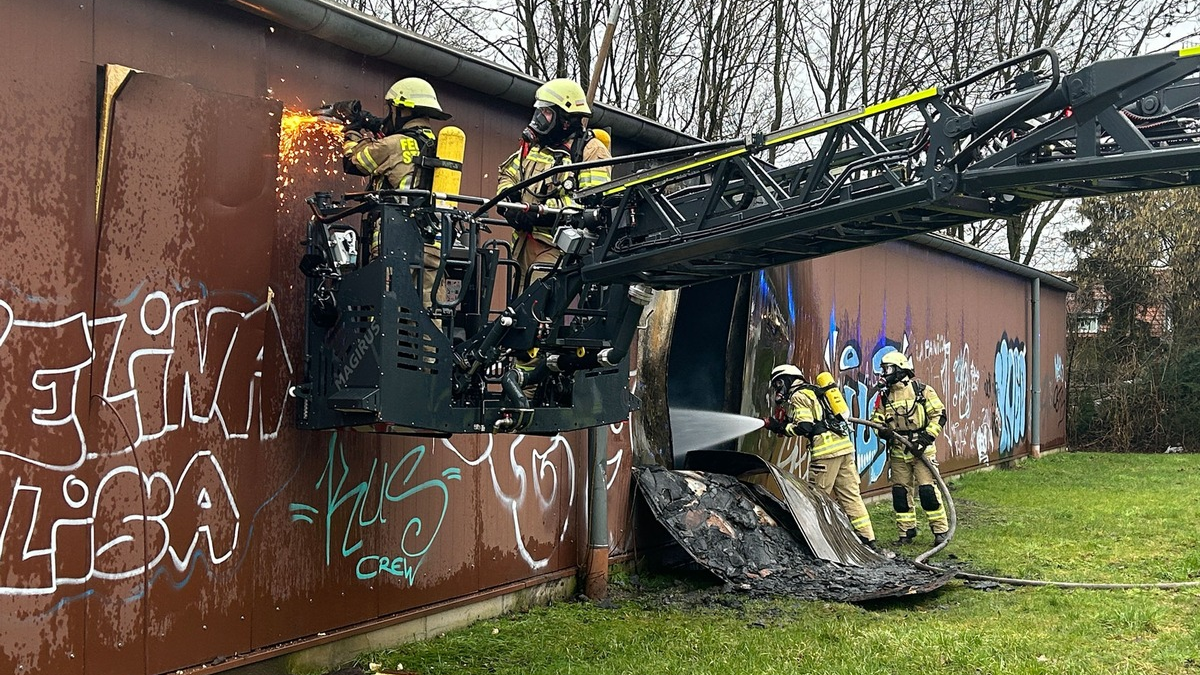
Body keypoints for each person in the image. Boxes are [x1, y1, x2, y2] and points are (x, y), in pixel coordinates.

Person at [342, 77, 451, 309]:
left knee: (386, 313)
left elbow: (354, 162)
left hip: (396, 241)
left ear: (402, 110)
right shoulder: (438, 144)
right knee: (428, 315)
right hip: (433, 243)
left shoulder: (395, 144)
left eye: (391, 109)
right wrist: (373, 123)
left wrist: (352, 132)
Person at [496, 78, 611, 287]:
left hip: (556, 249)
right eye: (539, 112)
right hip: (522, 246)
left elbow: (590, 205)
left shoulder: (591, 151)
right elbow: (508, 174)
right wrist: (508, 198)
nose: (539, 119)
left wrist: (539, 212)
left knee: (535, 310)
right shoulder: (535, 147)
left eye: (546, 113)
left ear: (565, 119)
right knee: (515, 313)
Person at [762, 364, 881, 551]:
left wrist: (780, 428)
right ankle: (867, 540)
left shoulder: (798, 396)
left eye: (779, 383)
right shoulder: (816, 392)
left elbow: (805, 427)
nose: (778, 388)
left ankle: (820, 544)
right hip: (844, 449)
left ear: (787, 380)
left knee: (817, 498)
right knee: (851, 496)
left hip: (825, 454)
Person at [870, 351, 950, 545]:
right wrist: (883, 432)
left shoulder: (922, 390)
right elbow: (876, 421)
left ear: (899, 369)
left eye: (888, 369)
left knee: (927, 492)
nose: (884, 373)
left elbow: (939, 415)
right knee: (900, 493)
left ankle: (940, 532)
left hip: (922, 450)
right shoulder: (885, 396)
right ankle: (906, 532)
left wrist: (924, 439)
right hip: (898, 452)